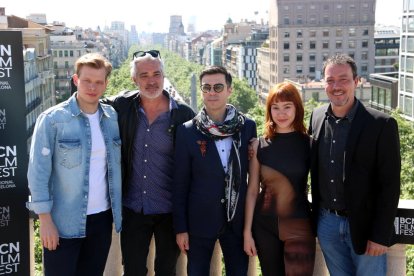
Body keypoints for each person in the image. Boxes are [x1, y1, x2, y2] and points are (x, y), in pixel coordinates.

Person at [26, 53, 122, 276]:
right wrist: (45, 220)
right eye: (87, 80)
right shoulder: (52, 119)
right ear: (76, 80)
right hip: (62, 223)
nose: (92, 87)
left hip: (101, 220)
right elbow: (38, 173)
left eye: (99, 82)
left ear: (106, 84)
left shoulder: (111, 117)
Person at [308, 54, 401, 275]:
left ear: (356, 81)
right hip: (327, 223)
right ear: (323, 83)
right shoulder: (316, 117)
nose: (336, 86)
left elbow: (390, 185)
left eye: (343, 79)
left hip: (366, 226)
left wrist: (380, 235)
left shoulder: (381, 124)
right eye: (330, 80)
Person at [104, 50, 195, 275]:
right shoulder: (122, 106)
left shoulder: (183, 115)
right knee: (133, 270)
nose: (151, 80)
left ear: (164, 76)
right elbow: (89, 101)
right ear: (134, 80)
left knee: (167, 271)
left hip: (170, 211)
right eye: (144, 75)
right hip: (133, 208)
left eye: (156, 74)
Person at [173, 65, 257, 276]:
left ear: (229, 90)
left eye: (218, 87)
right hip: (199, 223)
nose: (212, 92)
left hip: (236, 222)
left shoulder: (247, 126)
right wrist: (181, 228)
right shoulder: (187, 131)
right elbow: (180, 183)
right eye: (206, 87)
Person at [243, 82, 315, 276]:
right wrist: (247, 232)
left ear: (297, 108)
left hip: (299, 224)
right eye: (275, 107)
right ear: (269, 110)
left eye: (287, 107)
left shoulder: (309, 144)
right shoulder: (259, 145)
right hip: (264, 226)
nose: (281, 113)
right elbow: (252, 192)